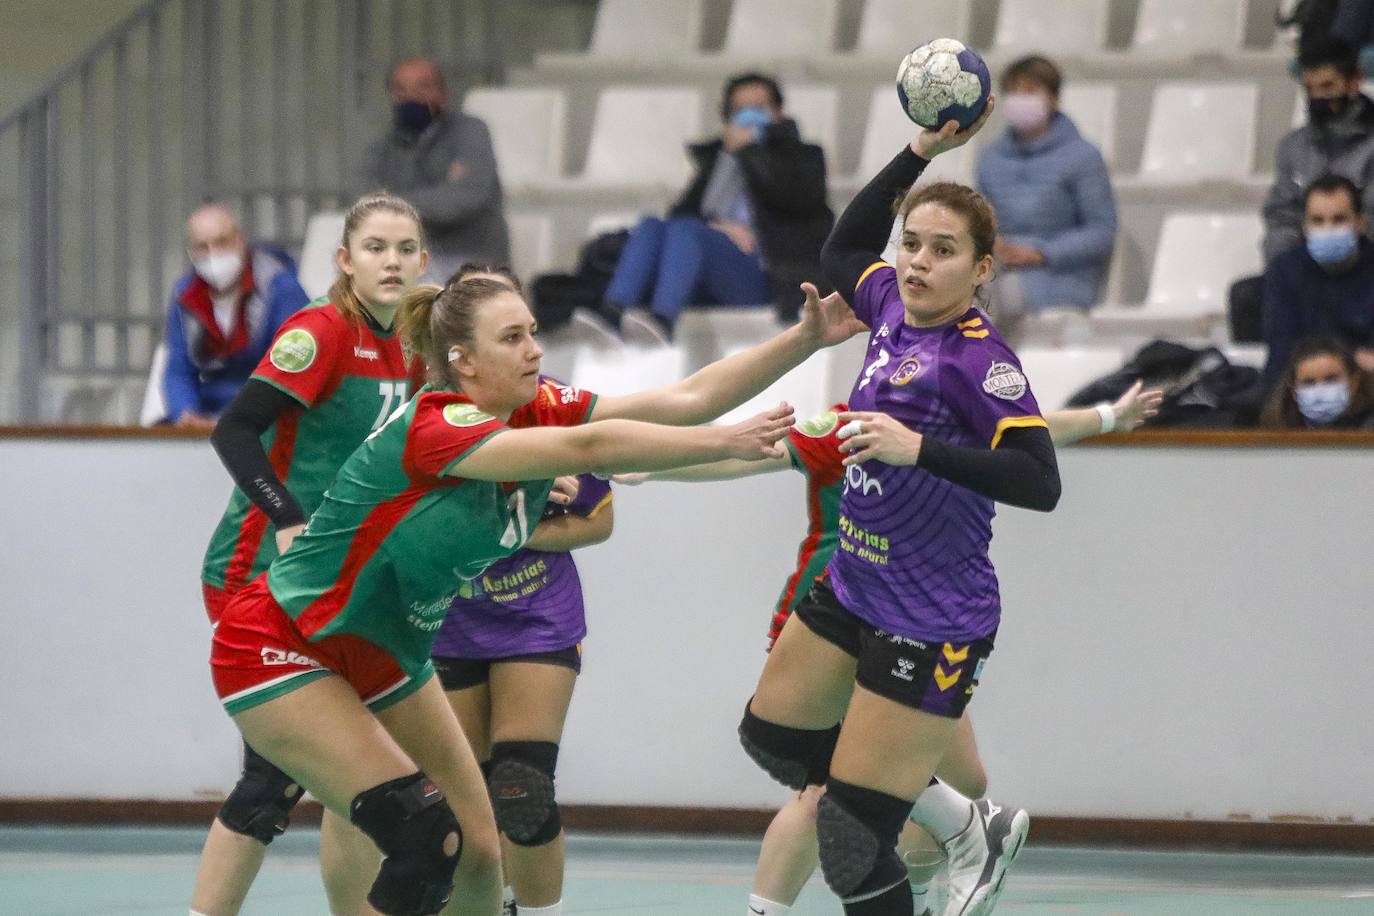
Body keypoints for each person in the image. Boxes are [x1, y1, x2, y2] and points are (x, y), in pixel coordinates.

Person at [206, 272, 862, 915]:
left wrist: (803, 341)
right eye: (513, 337)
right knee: (422, 835)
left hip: (385, 652)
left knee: (480, 851)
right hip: (288, 644)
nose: (534, 349)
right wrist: (724, 442)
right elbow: (593, 443)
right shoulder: (439, 423)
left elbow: (685, 396)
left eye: (533, 332)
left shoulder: (533, 405)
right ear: (461, 359)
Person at [618, 382, 1161, 916]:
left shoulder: (959, 427)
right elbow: (748, 455)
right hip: (833, 623)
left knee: (959, 780)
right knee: (824, 791)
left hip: (915, 628)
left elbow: (1035, 436)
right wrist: (651, 463)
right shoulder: (845, 426)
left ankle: (927, 884)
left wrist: (1109, 416)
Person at [733, 93, 1070, 916]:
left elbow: (1041, 481)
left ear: (981, 269)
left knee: (850, 835)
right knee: (771, 736)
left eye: (944, 251)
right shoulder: (887, 308)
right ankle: (966, 825)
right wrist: (917, 150)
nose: (917, 263)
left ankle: (960, 831)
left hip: (934, 618)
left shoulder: (980, 363)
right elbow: (845, 243)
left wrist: (917, 448)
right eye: (912, 244)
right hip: (855, 585)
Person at [189, 192, 428, 916]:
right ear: (344, 261)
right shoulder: (318, 332)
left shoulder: (413, 343)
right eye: (377, 247)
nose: (392, 261)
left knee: (361, 773)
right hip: (257, 574)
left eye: (406, 248)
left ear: (422, 260)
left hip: (335, 587)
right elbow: (234, 431)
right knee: (272, 783)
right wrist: (286, 518)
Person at [574, 72, 833, 345]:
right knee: (652, 225)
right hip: (710, 269)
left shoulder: (805, 156)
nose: (748, 117)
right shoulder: (717, 162)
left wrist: (751, 152)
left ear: (778, 112)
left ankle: (662, 319)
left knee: (688, 231)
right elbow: (680, 217)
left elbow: (795, 199)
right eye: (739, 111)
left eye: (758, 108)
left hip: (768, 276)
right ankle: (612, 311)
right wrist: (720, 227)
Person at [974, 55, 1115, 313]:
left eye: (1030, 91)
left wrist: (1041, 252)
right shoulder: (990, 159)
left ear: (1054, 98)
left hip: (1063, 275)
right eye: (1013, 91)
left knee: (997, 295)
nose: (1020, 98)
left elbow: (1101, 232)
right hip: (1000, 268)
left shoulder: (1083, 157)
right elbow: (979, 221)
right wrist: (993, 243)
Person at [362, 56, 510, 281]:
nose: (411, 97)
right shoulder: (382, 146)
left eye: (422, 87)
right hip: (405, 257)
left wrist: (391, 202)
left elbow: (461, 200)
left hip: (470, 259)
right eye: (401, 89)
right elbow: (364, 201)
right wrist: (433, 197)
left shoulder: (471, 132)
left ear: (443, 93)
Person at [161, 204, 309, 429]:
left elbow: (292, 371)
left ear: (241, 240)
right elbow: (178, 370)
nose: (213, 254)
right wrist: (185, 414)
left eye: (222, 242)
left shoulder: (281, 288)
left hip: (269, 417)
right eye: (202, 247)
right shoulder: (186, 295)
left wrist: (234, 421)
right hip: (206, 413)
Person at [1263, 38, 1374, 263]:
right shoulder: (1292, 147)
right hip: (1306, 271)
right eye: (1310, 89)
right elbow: (1282, 218)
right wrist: (1286, 271)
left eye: (1327, 86)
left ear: (1355, 81)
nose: (1318, 98)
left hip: (1367, 272)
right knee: (1245, 293)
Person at [1262, 174, 1374, 393]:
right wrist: (1353, 357)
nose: (1328, 229)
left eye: (1339, 219)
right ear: (1305, 225)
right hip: (1298, 389)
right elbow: (1282, 351)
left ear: (1361, 223)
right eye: (1318, 220)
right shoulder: (1284, 271)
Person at [1261, 335, 1374, 428]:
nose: (1321, 390)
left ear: (1354, 381)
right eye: (1309, 383)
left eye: (1331, 380)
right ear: (1293, 390)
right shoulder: (1275, 429)